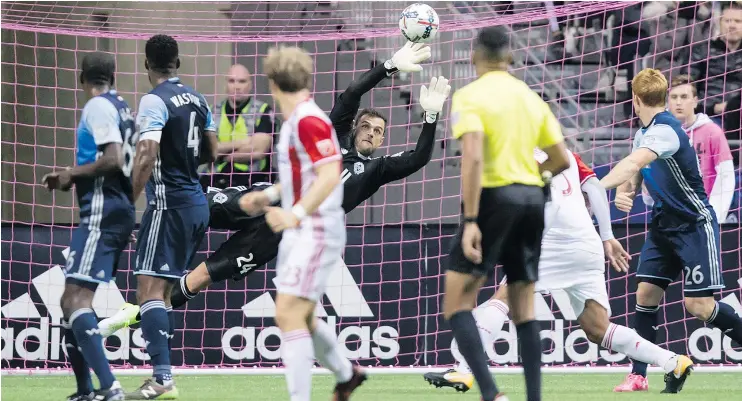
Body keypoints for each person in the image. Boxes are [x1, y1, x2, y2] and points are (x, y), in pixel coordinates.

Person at [97, 41, 447, 325]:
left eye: (378, 132)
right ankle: (136, 237)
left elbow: (418, 158)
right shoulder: (334, 133)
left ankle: (139, 311)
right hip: (265, 197)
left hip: (283, 231)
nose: (371, 134)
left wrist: (430, 117)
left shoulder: (378, 169)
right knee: (195, 204)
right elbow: (353, 92)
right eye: (367, 127)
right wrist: (389, 67)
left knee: (203, 276)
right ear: (354, 128)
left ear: (383, 140)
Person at [424, 150, 694, 394]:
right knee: (598, 327)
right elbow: (597, 190)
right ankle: (672, 361)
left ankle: (464, 368)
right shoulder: (564, 153)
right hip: (586, 242)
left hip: (553, 239)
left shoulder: (515, 155)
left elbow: (544, 204)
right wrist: (607, 236)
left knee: (503, 299)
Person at [443, 26, 570, 401]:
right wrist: (538, 178)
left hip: (495, 198)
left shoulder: (470, 96)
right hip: (533, 198)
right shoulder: (531, 98)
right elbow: (562, 158)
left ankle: (491, 395)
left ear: (473, 56)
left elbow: (474, 156)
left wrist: (469, 220)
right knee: (524, 306)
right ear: (510, 57)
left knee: (457, 301)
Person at [600, 68, 742, 393]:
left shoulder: (665, 131)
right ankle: (638, 375)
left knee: (699, 307)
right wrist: (626, 191)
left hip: (693, 224)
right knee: (645, 296)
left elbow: (634, 162)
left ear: (635, 100)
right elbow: (636, 171)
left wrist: (592, 187)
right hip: (663, 225)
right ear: (664, 97)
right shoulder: (644, 132)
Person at [238, 45, 359, 401]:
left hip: (316, 229)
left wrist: (295, 213)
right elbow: (304, 176)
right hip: (300, 230)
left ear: (271, 83)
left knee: (287, 311)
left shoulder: (308, 119)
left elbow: (330, 174)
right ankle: (347, 374)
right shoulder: (296, 121)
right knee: (301, 316)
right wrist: (271, 197)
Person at [125, 34, 218, 400]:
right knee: (161, 293)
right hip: (196, 202)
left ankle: (162, 377)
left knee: (147, 289)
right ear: (177, 63)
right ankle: (162, 374)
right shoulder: (198, 99)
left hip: (169, 205)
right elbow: (212, 151)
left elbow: (146, 156)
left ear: (146, 65)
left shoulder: (153, 100)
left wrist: (126, 204)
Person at [41, 52, 133, 401]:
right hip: (115, 209)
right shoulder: (123, 106)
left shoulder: (96, 106)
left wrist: (69, 174)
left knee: (75, 299)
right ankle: (85, 390)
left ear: (81, 78)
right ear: (113, 75)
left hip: (101, 210)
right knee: (72, 299)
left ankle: (109, 388)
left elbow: (111, 158)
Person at [667, 75, 735, 223]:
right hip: (670, 219)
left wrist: (715, 216)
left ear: (695, 101)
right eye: (674, 97)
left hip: (703, 217)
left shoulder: (712, 132)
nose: (678, 102)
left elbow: (727, 176)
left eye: (684, 97)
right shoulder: (662, 133)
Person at [205, 64, 278, 189]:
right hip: (215, 179)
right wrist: (246, 141)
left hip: (252, 181)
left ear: (250, 85)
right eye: (232, 81)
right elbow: (206, 150)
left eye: (242, 81)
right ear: (226, 85)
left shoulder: (263, 110)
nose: (237, 86)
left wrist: (222, 153)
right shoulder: (211, 111)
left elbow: (257, 151)